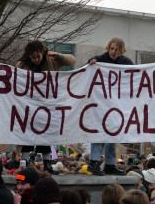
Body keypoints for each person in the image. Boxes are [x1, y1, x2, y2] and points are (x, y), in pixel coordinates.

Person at [16, 40, 76, 160]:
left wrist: (60, 57)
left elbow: (72, 60)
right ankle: (26, 162)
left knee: (46, 133)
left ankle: (47, 162)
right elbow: (12, 76)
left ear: (42, 52)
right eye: (33, 58)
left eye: (38, 56)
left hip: (47, 105)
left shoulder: (51, 59)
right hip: (29, 105)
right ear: (29, 56)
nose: (36, 60)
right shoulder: (22, 64)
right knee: (27, 133)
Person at [87, 37, 132, 176]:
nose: (113, 52)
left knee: (113, 134)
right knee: (99, 133)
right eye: (112, 49)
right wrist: (91, 62)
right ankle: (93, 162)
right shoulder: (101, 59)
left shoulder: (125, 62)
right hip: (101, 105)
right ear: (108, 48)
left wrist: (154, 66)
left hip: (116, 105)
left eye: (116, 50)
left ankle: (110, 164)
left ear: (121, 50)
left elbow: (139, 72)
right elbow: (89, 65)